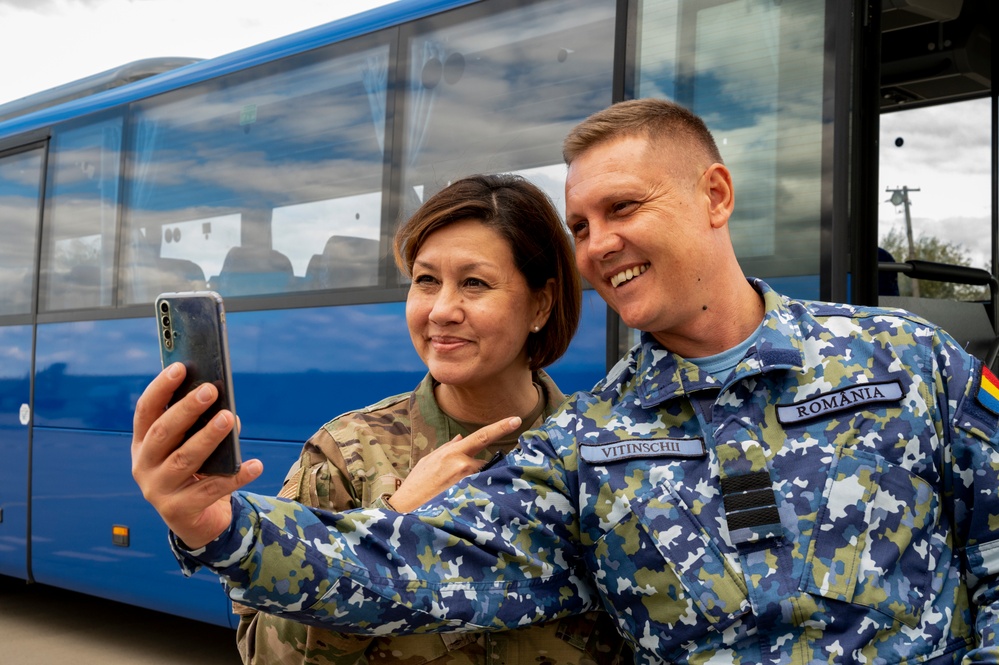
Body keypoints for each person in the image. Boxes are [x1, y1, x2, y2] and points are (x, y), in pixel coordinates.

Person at [133, 98, 999, 663]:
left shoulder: (905, 358)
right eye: (581, 224)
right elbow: (423, 567)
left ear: (715, 194)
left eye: (623, 208)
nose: (598, 244)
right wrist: (223, 527)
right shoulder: (585, 443)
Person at [240, 175, 630, 663]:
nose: (442, 310)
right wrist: (390, 523)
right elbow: (264, 653)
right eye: (426, 280)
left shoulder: (608, 451)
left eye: (474, 283)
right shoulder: (347, 455)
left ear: (541, 304)